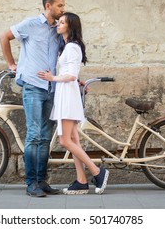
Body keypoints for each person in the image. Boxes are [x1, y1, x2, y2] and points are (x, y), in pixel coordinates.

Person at [0, 0, 65, 197]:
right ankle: (31, 183)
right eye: (59, 6)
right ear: (48, 6)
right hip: (33, 86)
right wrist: (11, 64)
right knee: (34, 134)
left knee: (46, 137)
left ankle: (41, 180)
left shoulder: (59, 30)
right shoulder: (30, 24)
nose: (63, 9)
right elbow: (5, 36)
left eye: (63, 6)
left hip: (51, 89)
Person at [37, 12, 109, 195]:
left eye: (62, 22)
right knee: (74, 140)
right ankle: (81, 181)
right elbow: (71, 74)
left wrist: (51, 77)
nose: (58, 25)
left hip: (67, 97)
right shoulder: (69, 47)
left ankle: (97, 172)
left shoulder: (72, 47)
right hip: (66, 94)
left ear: (71, 26)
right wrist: (74, 80)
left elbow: (71, 75)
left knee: (65, 141)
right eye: (58, 22)